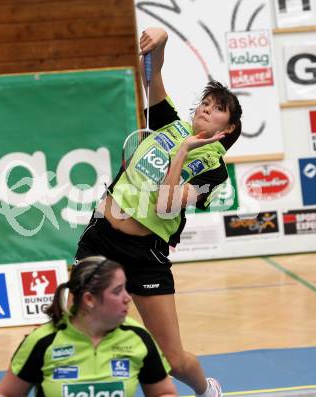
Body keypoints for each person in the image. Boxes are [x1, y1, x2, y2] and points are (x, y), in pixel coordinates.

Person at [75, 28, 243, 397]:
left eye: (216, 109)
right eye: (205, 102)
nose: (205, 108)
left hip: (144, 255)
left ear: (226, 128)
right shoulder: (167, 121)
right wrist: (161, 40)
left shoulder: (213, 172)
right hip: (100, 237)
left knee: (174, 359)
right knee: (79, 328)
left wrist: (181, 151)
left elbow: (166, 203)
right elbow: (152, 74)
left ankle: (205, 389)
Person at [0, 256, 177, 397]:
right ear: (89, 299)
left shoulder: (137, 337)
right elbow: (7, 393)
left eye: (125, 288)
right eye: (117, 291)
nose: (127, 297)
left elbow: (163, 392)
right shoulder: (43, 341)